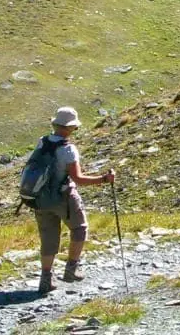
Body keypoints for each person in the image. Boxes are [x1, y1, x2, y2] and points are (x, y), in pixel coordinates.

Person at [34, 106, 117, 295]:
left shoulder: (42, 142)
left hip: (40, 198)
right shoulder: (69, 150)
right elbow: (78, 179)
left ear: (55, 124)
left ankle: (45, 279)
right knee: (79, 228)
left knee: (48, 237)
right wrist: (103, 179)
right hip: (63, 197)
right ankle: (71, 269)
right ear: (70, 128)